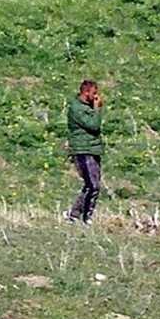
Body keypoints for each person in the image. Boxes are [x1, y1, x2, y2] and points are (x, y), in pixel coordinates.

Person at [64, 80, 104, 224]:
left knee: (94, 185)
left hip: (92, 149)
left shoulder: (86, 107)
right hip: (83, 149)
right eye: (94, 93)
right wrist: (97, 109)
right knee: (92, 184)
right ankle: (77, 214)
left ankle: (85, 215)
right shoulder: (77, 109)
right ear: (85, 92)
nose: (96, 96)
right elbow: (93, 125)